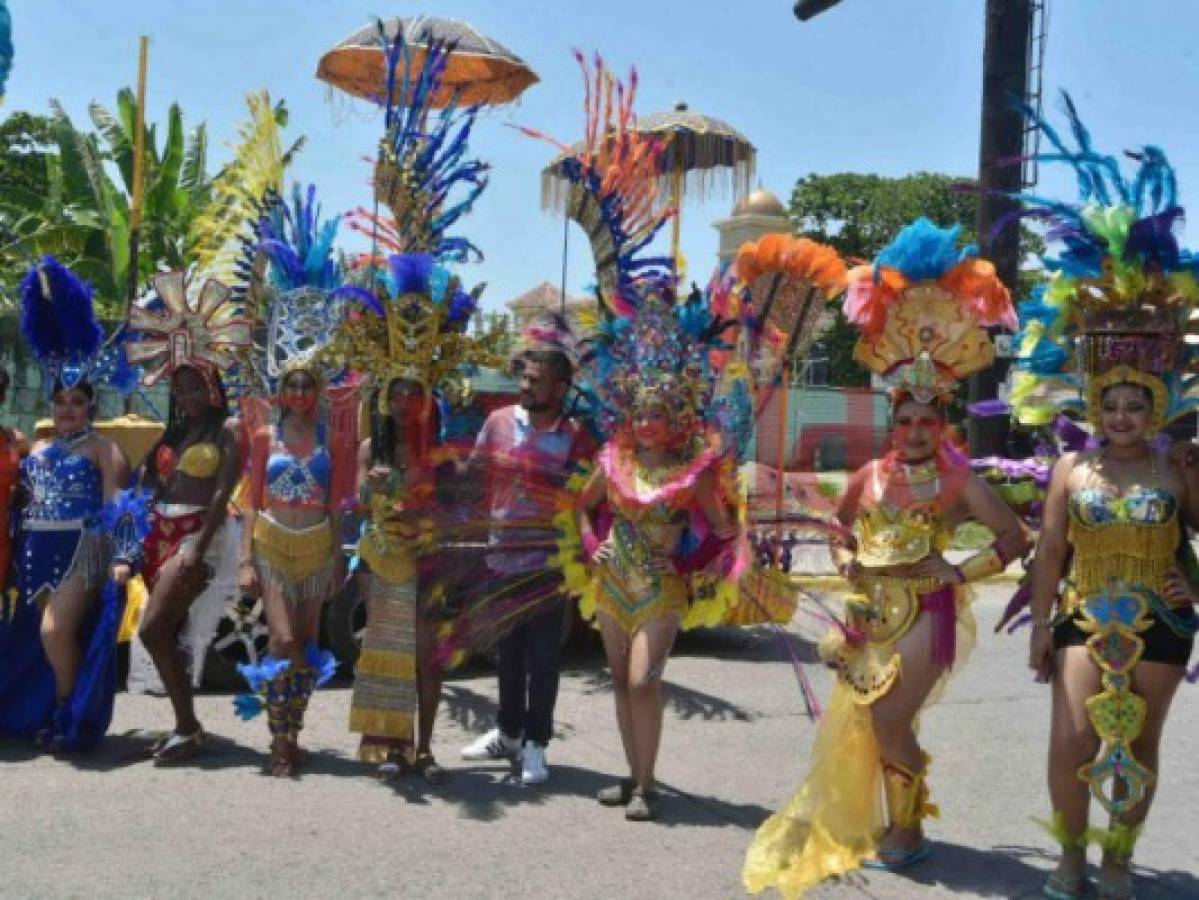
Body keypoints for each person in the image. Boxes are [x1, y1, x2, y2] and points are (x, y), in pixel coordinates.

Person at [744, 220, 1028, 896]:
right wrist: (845, 558)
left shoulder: (961, 480)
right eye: (904, 420)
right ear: (893, 421)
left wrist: (958, 571)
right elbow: (842, 529)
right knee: (869, 720)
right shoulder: (870, 474)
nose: (915, 430)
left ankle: (909, 831)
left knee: (888, 719)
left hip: (926, 607)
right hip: (867, 611)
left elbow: (1015, 538)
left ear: (943, 423)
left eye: (927, 420)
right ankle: (898, 826)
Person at [1013, 100, 1199, 900]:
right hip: (1084, 614)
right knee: (1072, 734)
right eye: (1110, 405)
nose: (1121, 418)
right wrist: (1039, 622)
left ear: (1154, 405)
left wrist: (1194, 585)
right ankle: (1069, 855)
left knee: (1139, 742)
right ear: (1094, 404)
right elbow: (1050, 548)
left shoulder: (1178, 466)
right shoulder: (1068, 470)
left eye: (1135, 405)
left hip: (1160, 615)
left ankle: (1119, 858)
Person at [235, 185, 353, 777]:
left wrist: (336, 559)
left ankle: (294, 731)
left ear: (318, 389)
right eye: (292, 385)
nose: (300, 394)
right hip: (276, 545)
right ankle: (277, 743)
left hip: (316, 547)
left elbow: (337, 506)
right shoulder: (264, 437)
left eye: (309, 385)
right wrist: (247, 561)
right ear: (281, 389)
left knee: (306, 650)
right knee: (280, 643)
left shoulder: (333, 440)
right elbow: (252, 500)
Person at [0, 259, 137, 752]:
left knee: (57, 632)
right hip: (36, 550)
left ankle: (69, 717)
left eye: (77, 402)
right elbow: (19, 499)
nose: (67, 411)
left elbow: (120, 505)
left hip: (83, 549)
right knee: (47, 639)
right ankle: (63, 710)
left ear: (91, 407)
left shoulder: (104, 448)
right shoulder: (33, 448)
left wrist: (122, 557)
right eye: (61, 403)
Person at [125, 271, 250, 764]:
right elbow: (146, 484)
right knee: (169, 633)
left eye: (194, 385)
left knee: (154, 630)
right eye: (179, 388)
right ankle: (186, 728)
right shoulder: (173, 433)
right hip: (160, 534)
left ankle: (188, 724)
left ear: (212, 384)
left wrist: (199, 543)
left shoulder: (227, 428)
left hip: (197, 537)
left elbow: (224, 492)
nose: (187, 396)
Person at [460, 340, 595, 785]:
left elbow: (589, 499)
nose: (524, 386)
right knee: (508, 656)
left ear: (560, 387)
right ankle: (508, 733)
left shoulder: (576, 437)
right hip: (501, 557)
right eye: (523, 377)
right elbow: (475, 475)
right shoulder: (498, 422)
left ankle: (536, 742)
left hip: (549, 563)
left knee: (543, 659)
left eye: (535, 381)